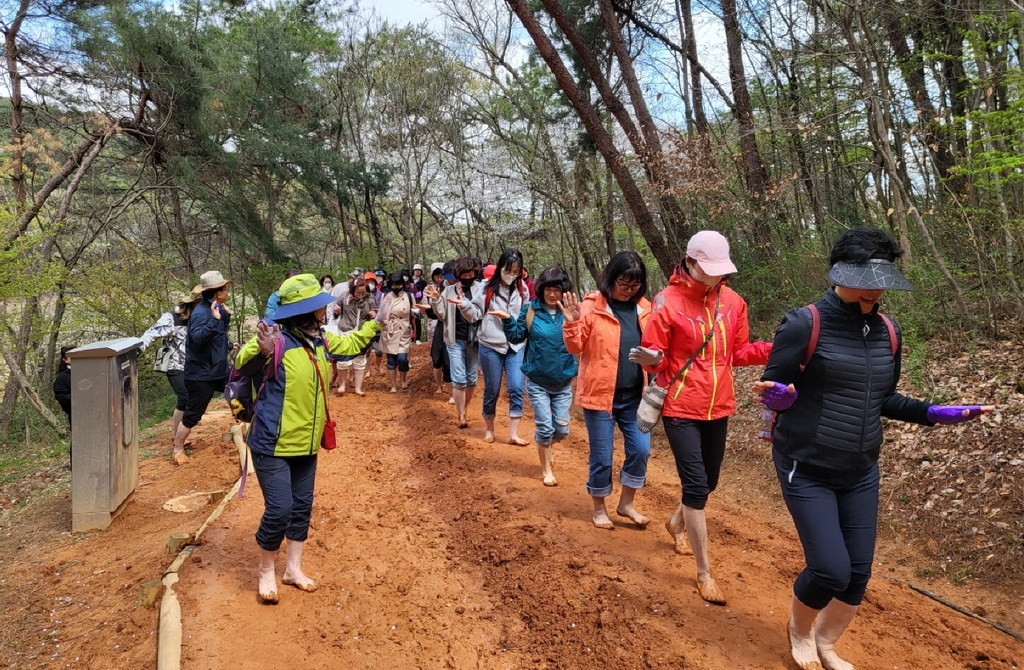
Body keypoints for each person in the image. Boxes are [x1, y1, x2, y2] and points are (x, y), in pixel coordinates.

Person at [755, 227, 994, 670]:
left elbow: (882, 398)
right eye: (865, 280)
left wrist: (935, 413)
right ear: (840, 274)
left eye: (881, 280)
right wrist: (780, 397)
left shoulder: (888, 330)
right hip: (805, 464)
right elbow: (773, 385)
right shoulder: (803, 323)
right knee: (830, 569)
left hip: (862, 468)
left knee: (858, 574)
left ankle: (826, 642)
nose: (875, 290)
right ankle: (800, 631)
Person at [637, 231, 771, 605]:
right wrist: (651, 359)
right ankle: (704, 572)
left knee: (708, 482)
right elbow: (657, 357)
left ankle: (675, 522)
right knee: (696, 487)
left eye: (720, 270)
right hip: (680, 407)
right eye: (709, 269)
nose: (716, 277)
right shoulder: (666, 302)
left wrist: (780, 349)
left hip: (720, 404)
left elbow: (740, 352)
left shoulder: (733, 303)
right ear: (691, 263)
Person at [235, 273, 381, 604]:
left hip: (306, 444)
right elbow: (243, 363)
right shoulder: (276, 338)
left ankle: (293, 569)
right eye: (318, 309)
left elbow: (351, 344)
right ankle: (265, 571)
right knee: (280, 509)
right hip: (272, 444)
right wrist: (261, 349)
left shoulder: (320, 340)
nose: (323, 313)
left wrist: (376, 324)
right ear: (305, 312)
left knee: (301, 507)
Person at [562, 250, 652, 530]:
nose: (628, 291)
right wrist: (572, 321)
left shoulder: (645, 309)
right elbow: (575, 347)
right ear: (610, 279)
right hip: (600, 396)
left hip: (636, 397)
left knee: (641, 450)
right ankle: (599, 507)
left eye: (634, 286)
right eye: (623, 284)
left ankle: (626, 504)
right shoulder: (592, 307)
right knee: (602, 456)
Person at [502, 266, 577, 486]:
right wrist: (507, 320)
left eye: (557, 289)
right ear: (541, 289)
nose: (552, 294)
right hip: (537, 381)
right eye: (548, 289)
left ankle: (546, 448)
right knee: (545, 427)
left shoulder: (571, 311)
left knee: (561, 430)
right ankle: (546, 471)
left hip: (564, 381)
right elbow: (516, 338)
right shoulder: (531, 310)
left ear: (564, 290)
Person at [173, 271, 235, 465]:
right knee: (192, 415)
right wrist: (215, 319)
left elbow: (219, 336)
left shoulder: (216, 308)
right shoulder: (201, 312)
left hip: (216, 369)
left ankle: (248, 426)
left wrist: (225, 317)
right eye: (225, 288)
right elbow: (198, 339)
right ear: (217, 292)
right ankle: (177, 449)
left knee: (239, 388)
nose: (227, 291)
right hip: (201, 375)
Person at [479, 248, 530, 445]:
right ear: (500, 268)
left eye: (515, 271)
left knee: (517, 386)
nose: (511, 275)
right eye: (508, 270)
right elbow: (475, 310)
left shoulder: (522, 289)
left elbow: (526, 314)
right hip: (490, 343)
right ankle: (489, 429)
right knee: (492, 388)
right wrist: (464, 306)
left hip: (516, 344)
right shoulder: (485, 288)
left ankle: (513, 434)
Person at [428, 256, 484, 428]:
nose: (467, 277)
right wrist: (437, 300)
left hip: (475, 340)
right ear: (458, 274)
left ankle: (464, 408)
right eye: (464, 274)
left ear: (476, 273)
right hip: (454, 339)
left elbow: (484, 313)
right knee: (459, 378)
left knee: (471, 379)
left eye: (471, 273)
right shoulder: (449, 291)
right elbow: (442, 315)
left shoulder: (481, 289)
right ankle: (461, 415)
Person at [140, 291, 202, 441]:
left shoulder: (199, 318)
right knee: (184, 397)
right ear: (192, 304)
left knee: (188, 399)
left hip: (192, 366)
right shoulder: (171, 318)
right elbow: (152, 333)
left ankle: (179, 436)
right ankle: (179, 437)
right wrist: (138, 348)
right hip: (174, 364)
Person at [333, 277, 377, 396]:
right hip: (345, 331)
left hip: (361, 333)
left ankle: (358, 388)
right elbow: (335, 310)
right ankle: (342, 385)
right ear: (352, 290)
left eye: (363, 292)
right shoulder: (343, 296)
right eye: (358, 292)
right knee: (342, 359)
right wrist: (336, 310)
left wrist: (373, 313)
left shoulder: (370, 299)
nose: (361, 295)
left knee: (360, 359)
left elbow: (375, 312)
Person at [379, 270, 417, 392]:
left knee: (402, 358)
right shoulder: (386, 297)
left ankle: (403, 381)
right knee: (391, 360)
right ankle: (393, 385)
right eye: (394, 285)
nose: (397, 287)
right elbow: (381, 314)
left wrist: (418, 313)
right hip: (390, 330)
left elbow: (414, 312)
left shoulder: (409, 296)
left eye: (399, 284)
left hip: (404, 329)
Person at [426, 262, 453, 400]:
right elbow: (436, 313)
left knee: (449, 361)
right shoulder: (438, 289)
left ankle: (452, 394)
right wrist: (427, 309)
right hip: (441, 326)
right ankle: (438, 385)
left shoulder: (461, 288)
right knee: (436, 358)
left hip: (454, 327)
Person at [53, 344, 75, 428]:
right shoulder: (62, 378)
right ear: (65, 360)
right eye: (71, 357)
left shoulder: (85, 373)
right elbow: (61, 397)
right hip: (75, 416)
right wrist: (78, 396)